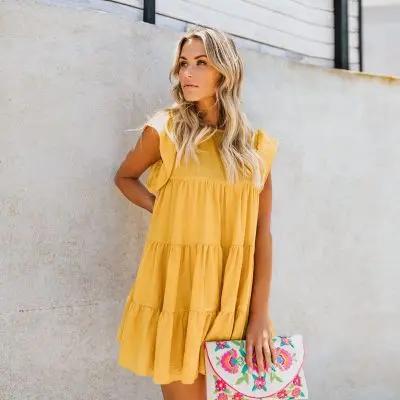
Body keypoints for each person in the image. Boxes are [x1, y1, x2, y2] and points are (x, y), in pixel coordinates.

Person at [114, 26, 279, 400]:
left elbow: (261, 235)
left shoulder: (255, 148)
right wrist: (161, 208)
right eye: (183, 63)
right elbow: (125, 177)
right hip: (179, 296)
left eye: (201, 63)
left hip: (233, 301)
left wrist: (259, 316)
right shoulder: (166, 131)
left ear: (225, 71)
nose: (187, 73)